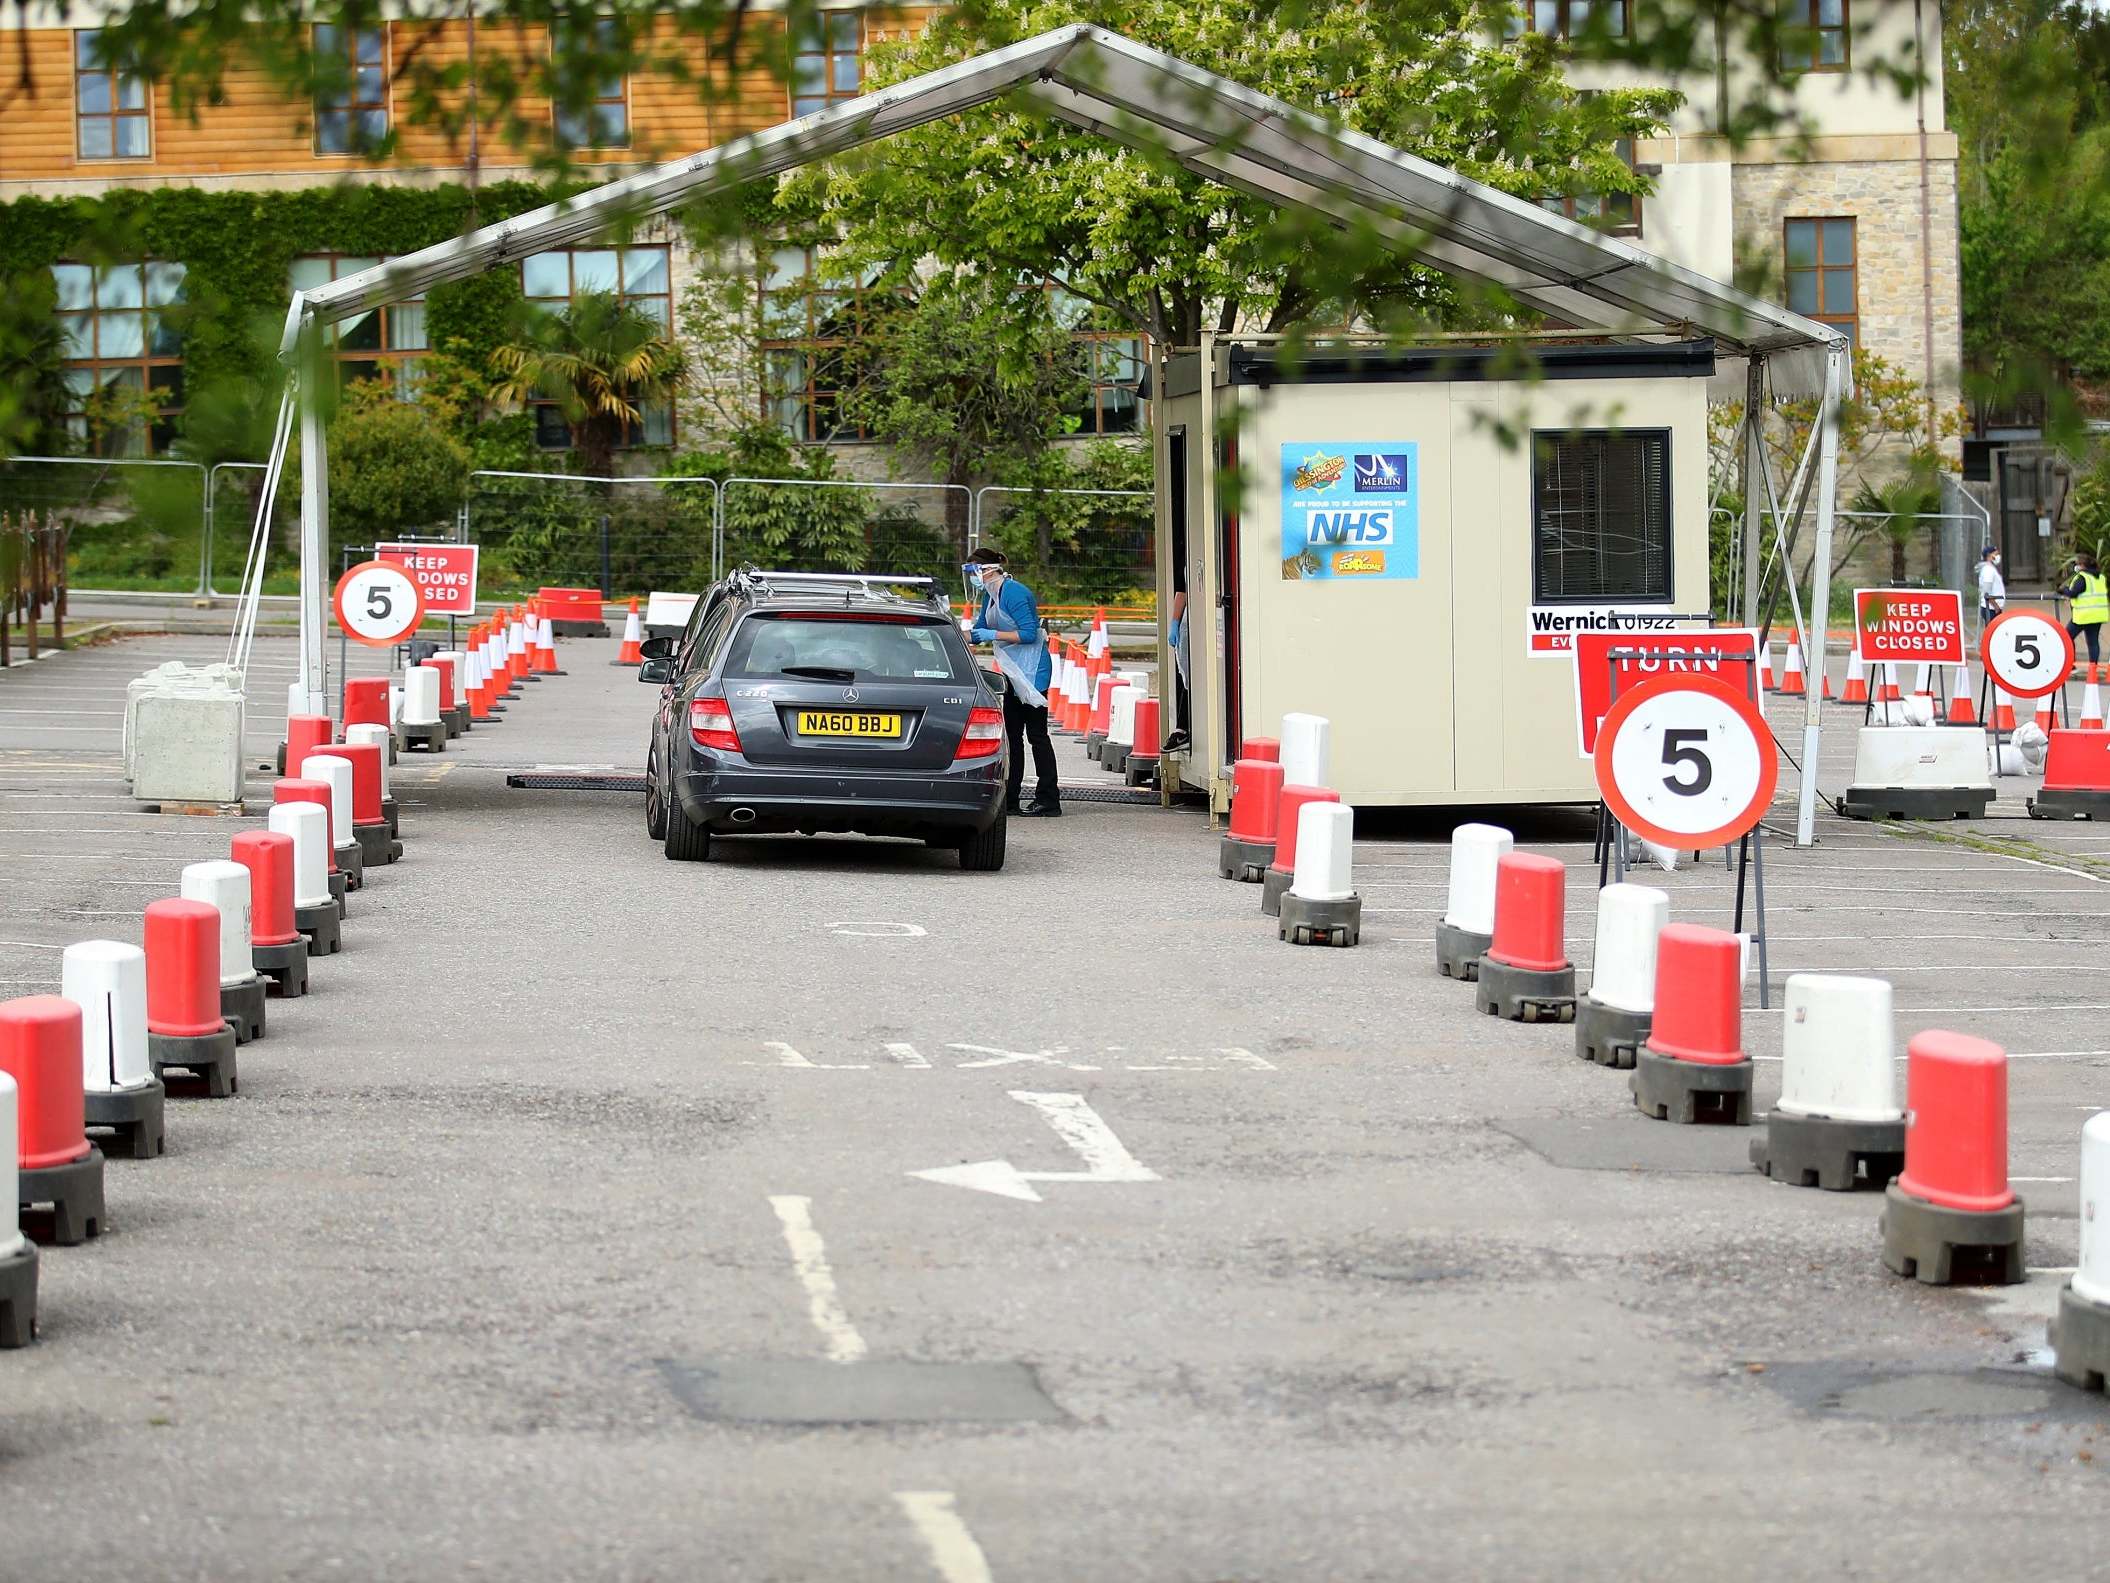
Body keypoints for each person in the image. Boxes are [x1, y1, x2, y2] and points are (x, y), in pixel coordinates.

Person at [965, 547, 1060, 816]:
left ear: (989, 570)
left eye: (974, 571)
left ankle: (1048, 798)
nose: (972, 577)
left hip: (1032, 671)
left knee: (1037, 735)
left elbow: (1029, 634)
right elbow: (979, 630)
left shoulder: (1015, 592)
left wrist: (991, 633)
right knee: (1013, 737)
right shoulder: (990, 597)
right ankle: (1011, 797)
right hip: (1013, 671)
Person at [2062, 549, 2108, 665]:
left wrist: (2063, 590)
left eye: (2077, 564)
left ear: (2082, 565)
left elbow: (2073, 593)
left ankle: (2070, 664)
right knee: (2093, 642)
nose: (2076, 566)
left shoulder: (2083, 577)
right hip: (2097, 615)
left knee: (2066, 637)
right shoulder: (2100, 577)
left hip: (2083, 616)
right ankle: (2093, 669)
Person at [1977, 544, 2005, 631]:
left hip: (1993, 608)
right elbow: (1986, 592)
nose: (1997, 556)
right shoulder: (1988, 570)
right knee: (1992, 633)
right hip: (1991, 609)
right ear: (1989, 556)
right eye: (1995, 554)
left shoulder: (1990, 569)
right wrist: (1996, 606)